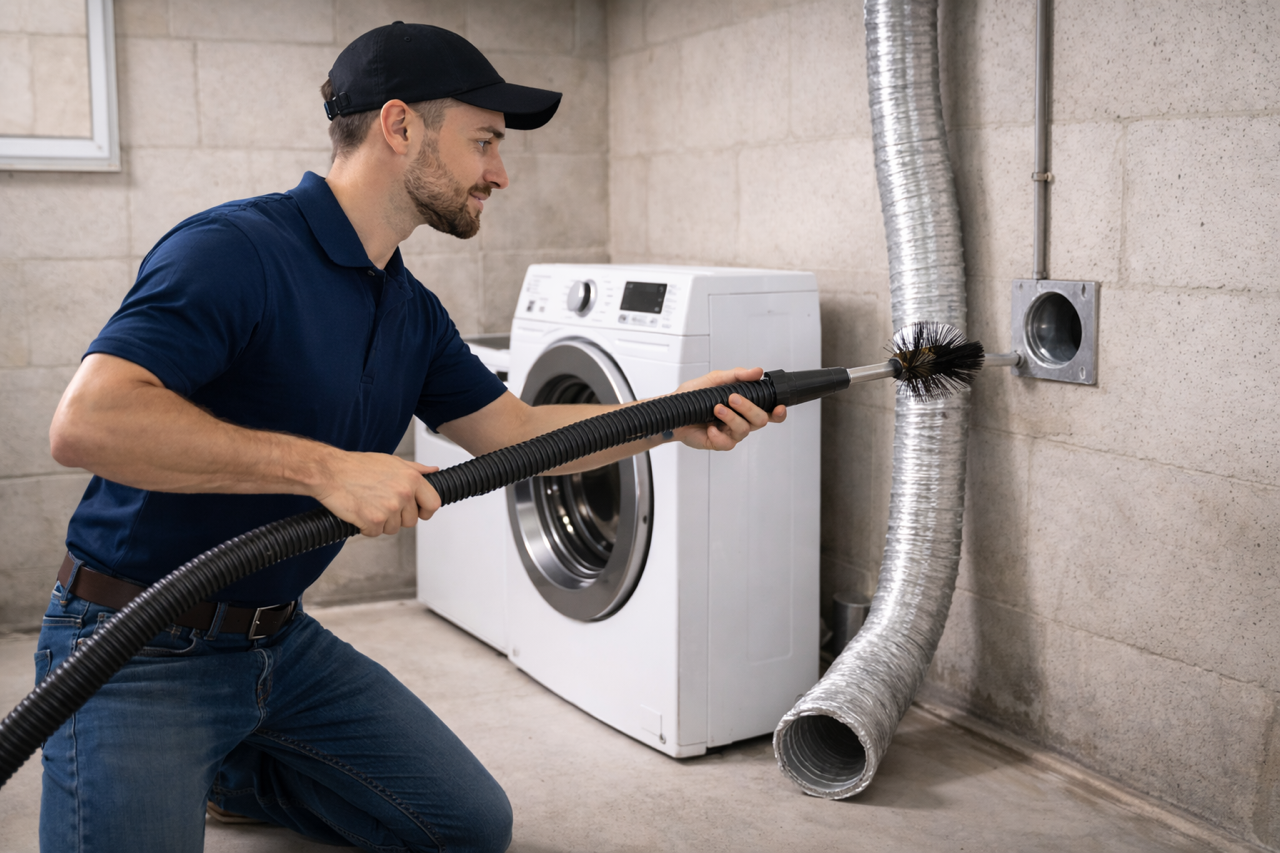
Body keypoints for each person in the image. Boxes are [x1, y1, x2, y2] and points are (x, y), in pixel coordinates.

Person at [41, 22, 785, 853]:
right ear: (400, 127)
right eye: (485, 142)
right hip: (135, 641)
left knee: (468, 826)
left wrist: (668, 417)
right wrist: (324, 469)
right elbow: (89, 421)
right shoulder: (235, 251)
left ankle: (232, 765)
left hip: (274, 643)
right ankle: (199, 754)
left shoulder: (410, 311)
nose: (499, 173)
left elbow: (525, 433)